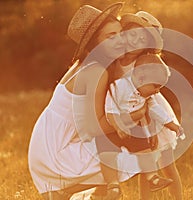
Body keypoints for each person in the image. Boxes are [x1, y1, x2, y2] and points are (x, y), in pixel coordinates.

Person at [27, 3, 141, 200]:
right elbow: (92, 128)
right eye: (110, 36)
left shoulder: (86, 64)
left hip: (45, 147)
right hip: (56, 154)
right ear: (95, 44)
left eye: (120, 33)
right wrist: (134, 116)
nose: (120, 40)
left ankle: (83, 193)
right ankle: (67, 190)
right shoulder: (96, 71)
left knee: (114, 150)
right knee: (132, 157)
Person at [96, 11, 183, 200]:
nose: (136, 41)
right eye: (132, 34)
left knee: (167, 164)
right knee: (145, 165)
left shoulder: (146, 61)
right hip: (124, 110)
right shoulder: (115, 59)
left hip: (150, 110)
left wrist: (151, 128)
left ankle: (178, 197)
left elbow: (153, 95)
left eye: (143, 38)